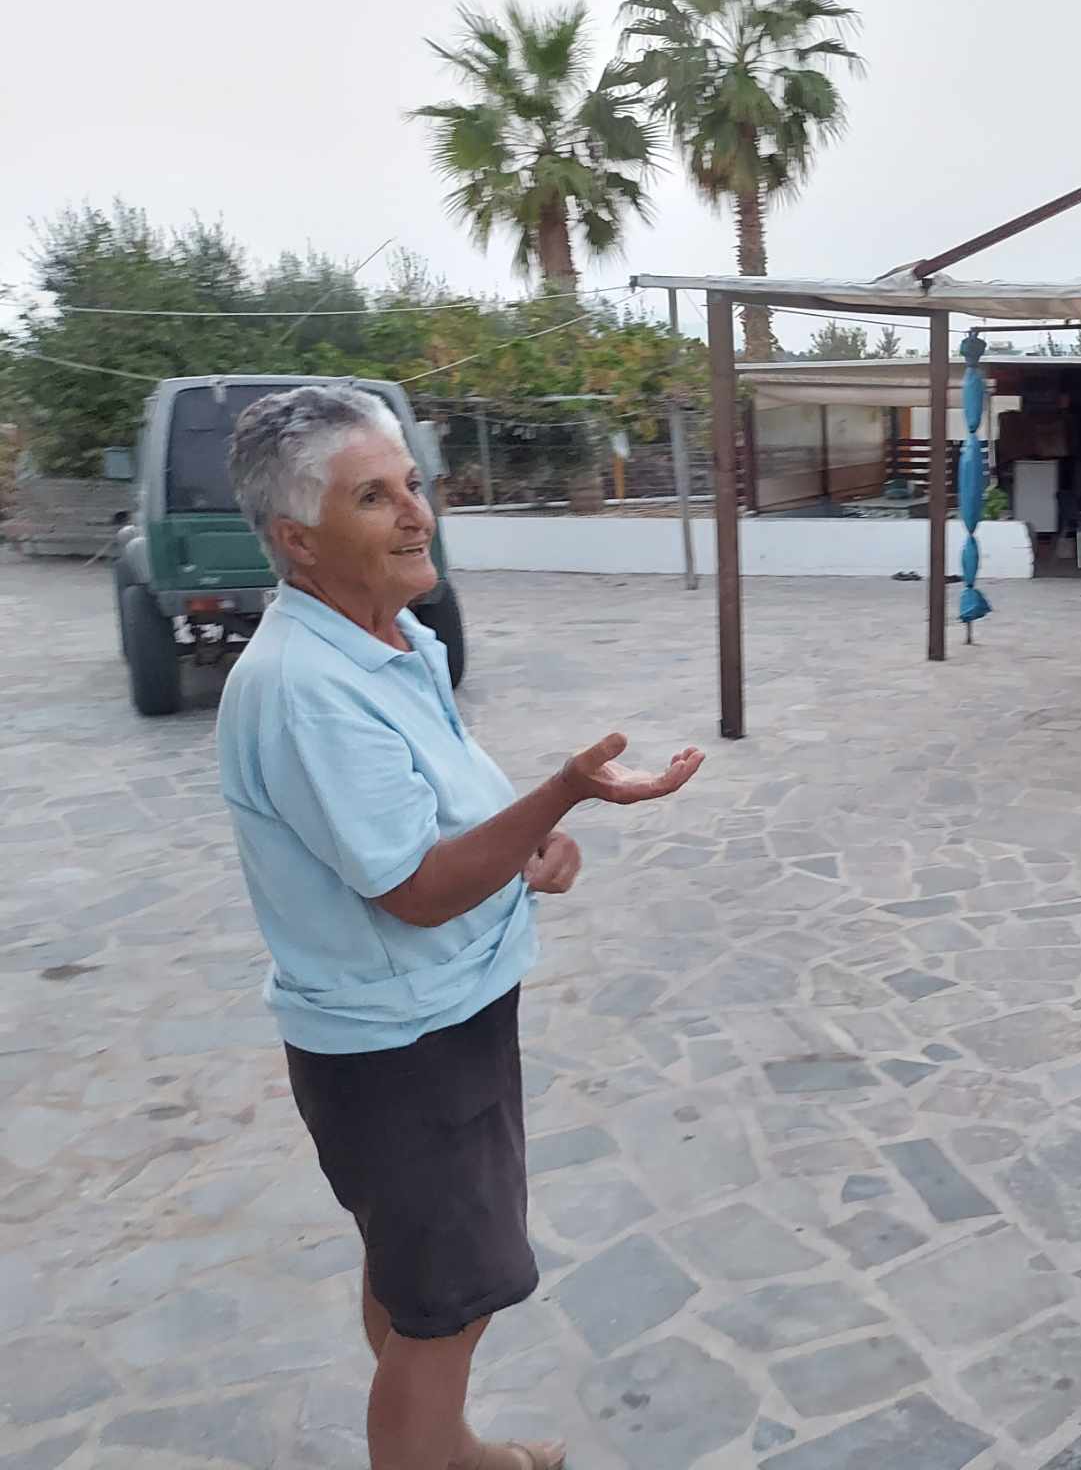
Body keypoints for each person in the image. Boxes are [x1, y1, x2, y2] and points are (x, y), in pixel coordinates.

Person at [215, 385, 704, 1470]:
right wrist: (564, 792)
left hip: (434, 1019)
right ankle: (435, 1452)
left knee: (417, 1283)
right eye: (372, 498)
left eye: (412, 484)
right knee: (449, 1307)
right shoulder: (306, 687)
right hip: (403, 1045)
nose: (416, 514)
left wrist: (529, 849)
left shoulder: (393, 644)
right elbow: (416, 888)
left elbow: (436, 831)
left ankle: (454, 1448)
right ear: (298, 540)